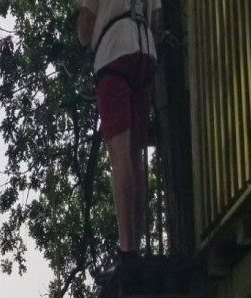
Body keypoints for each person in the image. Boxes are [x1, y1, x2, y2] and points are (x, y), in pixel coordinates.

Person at [77, 0, 163, 274]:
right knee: (135, 155)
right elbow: (158, 22)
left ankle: (127, 250)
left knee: (120, 154)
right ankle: (135, 243)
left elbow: (85, 29)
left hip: (113, 54)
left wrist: (82, 36)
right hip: (144, 52)